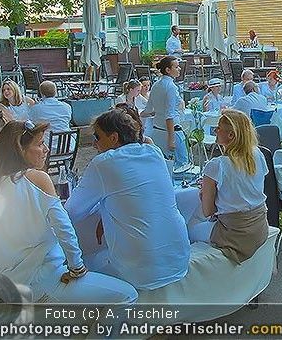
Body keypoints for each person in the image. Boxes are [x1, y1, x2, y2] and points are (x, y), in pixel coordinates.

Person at [0, 121, 137, 304]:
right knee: (128, 295)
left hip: (7, 282)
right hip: (41, 279)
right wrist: (77, 267)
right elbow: (65, 230)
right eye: (40, 144)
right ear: (20, 150)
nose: (46, 149)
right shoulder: (37, 179)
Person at [66, 109, 190, 289]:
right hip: (179, 260)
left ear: (114, 138)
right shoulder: (154, 152)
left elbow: (72, 212)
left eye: (97, 137)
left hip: (141, 273)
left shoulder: (104, 163)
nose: (94, 144)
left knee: (83, 261)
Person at [200, 109, 270, 263]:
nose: (215, 130)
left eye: (218, 128)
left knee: (190, 230)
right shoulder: (257, 154)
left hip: (233, 234)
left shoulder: (216, 166)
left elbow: (207, 211)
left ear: (230, 135)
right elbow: (249, 187)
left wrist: (206, 190)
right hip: (259, 227)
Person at [142, 56, 187, 174]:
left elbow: (148, 110)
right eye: (176, 67)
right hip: (171, 132)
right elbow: (169, 115)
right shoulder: (171, 87)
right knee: (181, 168)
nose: (179, 69)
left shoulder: (156, 85)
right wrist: (171, 139)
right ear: (168, 70)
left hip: (157, 132)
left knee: (161, 168)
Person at [29, 81, 72, 149]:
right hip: (68, 147)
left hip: (46, 149)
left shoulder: (36, 108)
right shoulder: (67, 107)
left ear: (41, 93)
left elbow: (31, 123)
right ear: (55, 92)